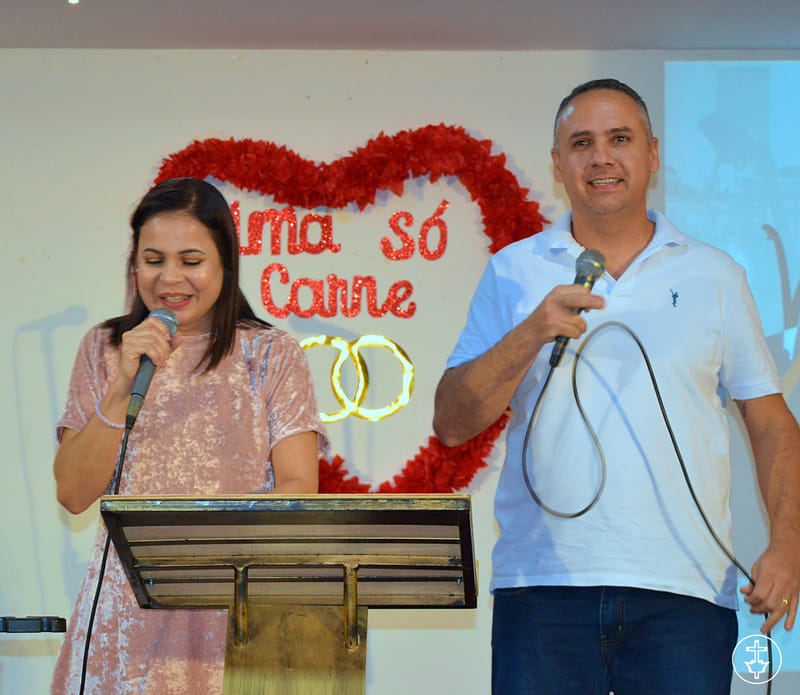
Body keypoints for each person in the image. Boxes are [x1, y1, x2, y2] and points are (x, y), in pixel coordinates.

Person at [433, 78, 800, 694]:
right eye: (582, 143)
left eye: (619, 139)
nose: (601, 157)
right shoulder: (514, 271)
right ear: (558, 164)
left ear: (652, 154)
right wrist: (530, 333)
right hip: (541, 590)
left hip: (685, 594)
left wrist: (787, 544)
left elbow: (771, 423)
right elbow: (451, 421)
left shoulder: (714, 273)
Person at [51, 177, 327, 693]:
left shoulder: (270, 354)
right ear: (134, 266)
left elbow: (298, 489)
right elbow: (71, 493)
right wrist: (120, 387)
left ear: (226, 264)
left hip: (235, 601)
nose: (170, 277)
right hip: (124, 610)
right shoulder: (104, 348)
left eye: (191, 260)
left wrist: (206, 548)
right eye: (153, 260)